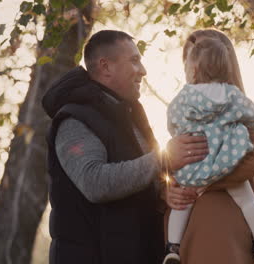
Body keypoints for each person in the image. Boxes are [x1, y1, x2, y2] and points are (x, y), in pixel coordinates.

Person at [42, 30, 207, 264]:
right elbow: (94, 182)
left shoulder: (131, 117)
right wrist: (164, 159)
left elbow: (141, 177)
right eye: (134, 60)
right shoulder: (74, 119)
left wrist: (162, 193)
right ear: (106, 67)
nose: (143, 70)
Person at [163, 29, 254, 264]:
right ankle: (172, 249)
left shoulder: (236, 118)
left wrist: (202, 184)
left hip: (223, 227)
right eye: (188, 57)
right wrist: (165, 187)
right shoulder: (227, 108)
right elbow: (166, 173)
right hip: (190, 232)